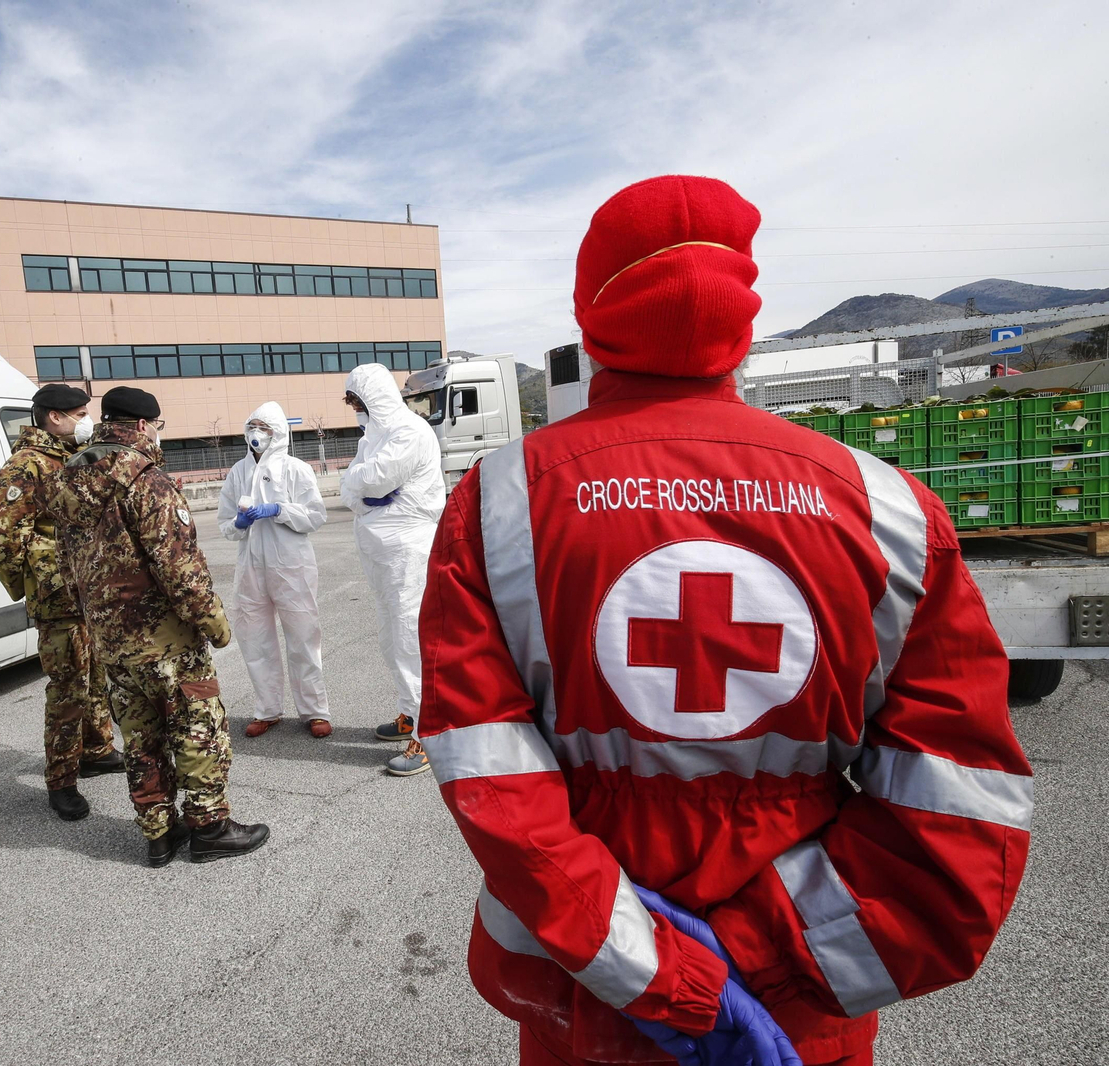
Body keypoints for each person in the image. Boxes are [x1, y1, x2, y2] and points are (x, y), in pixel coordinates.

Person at [417, 176, 1032, 1066]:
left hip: (585, 994)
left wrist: (654, 964)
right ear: (744, 318)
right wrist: (747, 963)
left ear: (591, 321)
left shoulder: (501, 502)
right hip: (795, 1011)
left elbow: (489, 768)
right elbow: (958, 812)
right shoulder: (887, 510)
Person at [45, 385, 268, 867]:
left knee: (140, 737)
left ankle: (159, 834)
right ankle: (209, 826)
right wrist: (215, 624)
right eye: (157, 427)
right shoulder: (146, 479)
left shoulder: (69, 479)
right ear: (143, 426)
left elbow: (65, 566)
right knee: (196, 727)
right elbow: (180, 567)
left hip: (111, 643)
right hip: (164, 640)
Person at [0, 383, 124, 823]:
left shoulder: (73, 457)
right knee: (68, 688)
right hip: (59, 598)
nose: (87, 419)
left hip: (89, 592)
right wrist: (41, 580)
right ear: (55, 417)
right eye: (80, 412)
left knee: (96, 674)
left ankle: (96, 749)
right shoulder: (26, 466)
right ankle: (61, 780)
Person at [339, 363, 445, 776]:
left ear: (375, 399)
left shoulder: (409, 432)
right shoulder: (373, 438)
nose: (355, 410)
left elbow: (374, 480)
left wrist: (361, 488)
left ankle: (427, 734)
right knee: (391, 637)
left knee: (409, 639)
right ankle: (408, 715)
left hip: (407, 550)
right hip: (382, 552)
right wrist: (359, 488)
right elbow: (353, 488)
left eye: (357, 402)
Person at [217, 402, 332, 738]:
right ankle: (267, 709)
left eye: (264, 427)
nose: (257, 434)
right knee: (255, 639)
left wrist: (279, 509)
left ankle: (314, 711)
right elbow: (226, 523)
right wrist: (239, 523)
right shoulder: (238, 472)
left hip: (291, 565)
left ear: (278, 431)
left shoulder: (296, 469)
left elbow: (315, 516)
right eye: (252, 426)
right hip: (251, 566)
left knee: (303, 637)